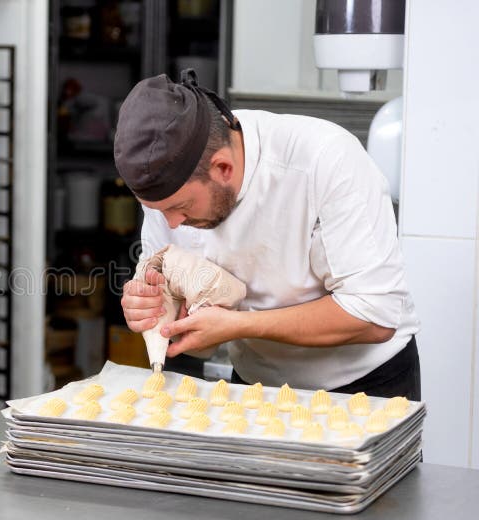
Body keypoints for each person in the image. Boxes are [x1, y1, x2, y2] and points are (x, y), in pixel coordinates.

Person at [115, 69, 420, 400]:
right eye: (159, 211)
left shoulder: (324, 160)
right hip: (256, 386)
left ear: (223, 169)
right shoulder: (170, 189)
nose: (172, 224)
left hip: (364, 385)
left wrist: (239, 325)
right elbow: (169, 287)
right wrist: (151, 307)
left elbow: (374, 315)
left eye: (182, 208)